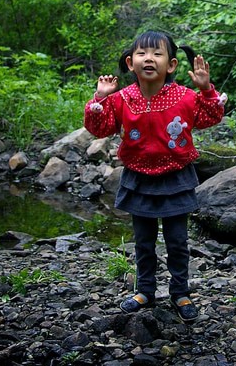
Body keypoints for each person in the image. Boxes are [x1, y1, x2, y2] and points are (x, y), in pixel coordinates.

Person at [84, 30, 226, 322]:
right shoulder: (121, 99)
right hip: (139, 178)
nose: (149, 59)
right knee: (143, 241)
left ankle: (180, 292)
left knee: (177, 241)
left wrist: (206, 90)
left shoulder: (185, 97)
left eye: (157, 53)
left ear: (171, 65)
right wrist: (100, 97)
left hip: (176, 178)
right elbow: (99, 129)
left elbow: (210, 117)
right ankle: (145, 290)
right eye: (142, 53)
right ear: (130, 63)